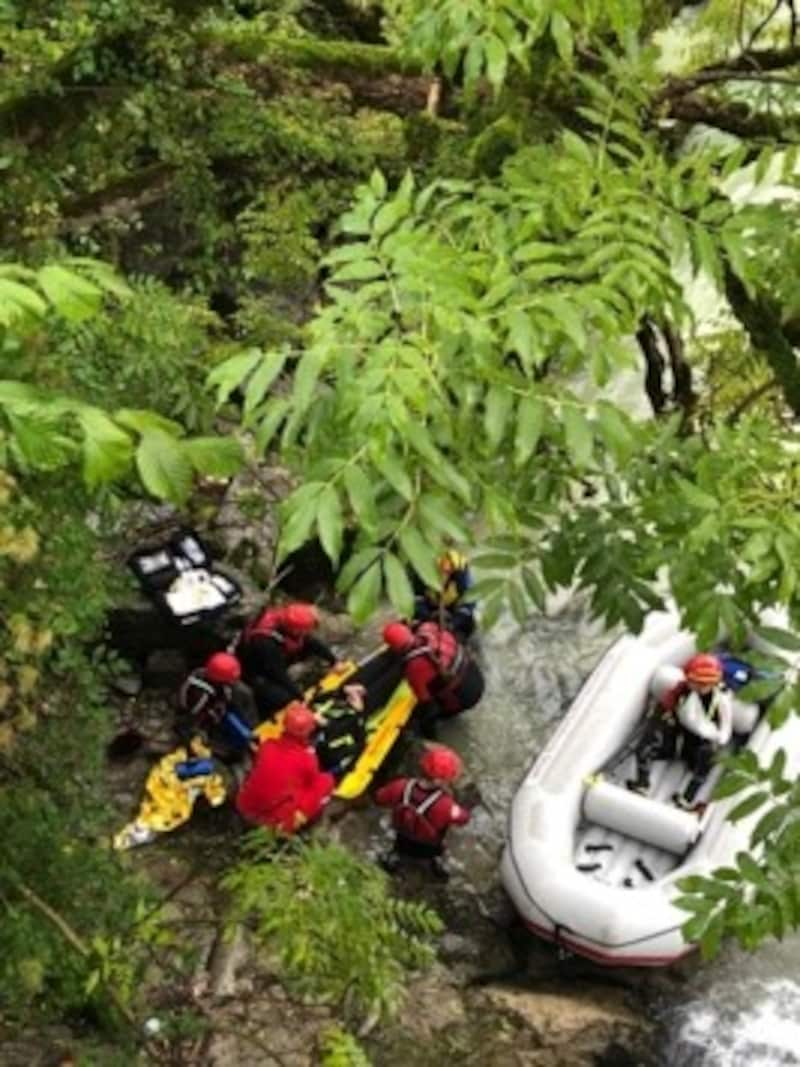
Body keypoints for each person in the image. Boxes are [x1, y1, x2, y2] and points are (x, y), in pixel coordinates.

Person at [627, 653, 733, 810]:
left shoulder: (721, 699)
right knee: (653, 731)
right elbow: (668, 702)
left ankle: (687, 798)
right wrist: (661, 717)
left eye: (703, 683)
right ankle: (642, 782)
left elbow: (725, 725)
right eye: (695, 682)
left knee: (709, 754)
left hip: (700, 743)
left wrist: (719, 740)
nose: (698, 686)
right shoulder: (683, 689)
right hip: (679, 735)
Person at [374, 745, 471, 880]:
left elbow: (380, 797)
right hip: (429, 845)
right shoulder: (446, 806)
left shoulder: (400, 785)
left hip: (402, 837)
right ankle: (434, 866)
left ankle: (394, 859)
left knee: (400, 848)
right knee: (434, 854)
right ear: (440, 781)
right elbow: (464, 819)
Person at [236, 702, 335, 833]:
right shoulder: (307, 759)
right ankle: (302, 826)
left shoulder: (268, 745)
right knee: (326, 781)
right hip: (271, 821)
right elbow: (311, 783)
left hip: (244, 806)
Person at [382, 620, 485, 738]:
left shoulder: (414, 668)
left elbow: (425, 702)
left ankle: (432, 739)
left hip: (466, 696)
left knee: (425, 717)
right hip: (476, 675)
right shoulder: (429, 628)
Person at [236, 602, 337, 718]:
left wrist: (333, 660)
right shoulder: (265, 643)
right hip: (255, 673)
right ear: (294, 630)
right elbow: (278, 674)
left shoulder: (284, 621)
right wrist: (300, 696)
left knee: (310, 646)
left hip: (272, 661)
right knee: (286, 698)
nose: (307, 632)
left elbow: (309, 641)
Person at [174, 651, 257, 761]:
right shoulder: (200, 696)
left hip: (215, 709)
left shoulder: (206, 673)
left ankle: (246, 735)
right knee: (228, 749)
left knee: (238, 723)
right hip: (199, 721)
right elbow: (191, 719)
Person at [412, 549, 477, 639]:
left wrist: (453, 624)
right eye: (442, 570)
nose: (444, 574)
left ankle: (460, 640)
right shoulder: (425, 572)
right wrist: (428, 616)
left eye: (449, 571)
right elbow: (416, 596)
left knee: (469, 623)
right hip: (429, 607)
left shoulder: (463, 578)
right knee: (413, 613)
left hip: (453, 611)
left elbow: (468, 605)